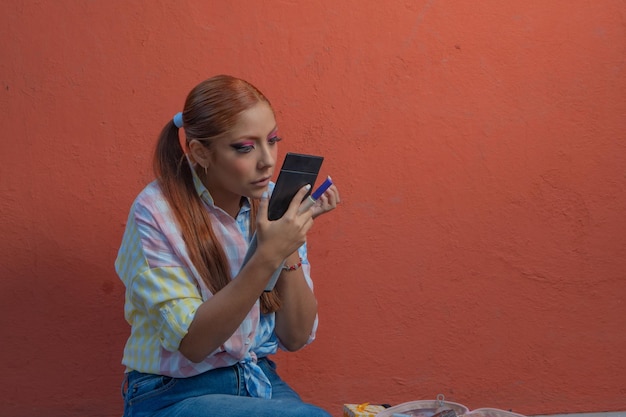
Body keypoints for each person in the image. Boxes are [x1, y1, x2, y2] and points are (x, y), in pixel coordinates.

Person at [115, 74, 339, 417]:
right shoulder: (156, 212)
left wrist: (289, 240)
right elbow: (194, 344)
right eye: (245, 148)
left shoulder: (269, 200)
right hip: (172, 393)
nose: (266, 160)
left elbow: (295, 336)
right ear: (201, 152)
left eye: (273, 140)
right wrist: (268, 254)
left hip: (257, 378)